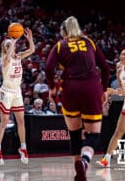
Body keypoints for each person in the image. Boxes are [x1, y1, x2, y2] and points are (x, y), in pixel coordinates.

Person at [45, 16, 110, 181]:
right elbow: (105, 67)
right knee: (93, 135)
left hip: (71, 88)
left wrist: (52, 87)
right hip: (91, 88)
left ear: (64, 31)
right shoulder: (89, 42)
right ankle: (85, 161)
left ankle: (78, 171)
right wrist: (104, 89)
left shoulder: (60, 45)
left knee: (74, 133)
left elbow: (48, 68)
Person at [0, 28, 35, 165]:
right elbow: (8, 54)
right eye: (7, 45)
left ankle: (23, 148)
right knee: (4, 121)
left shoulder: (18, 56)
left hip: (17, 92)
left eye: (11, 45)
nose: (11, 47)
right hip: (6, 93)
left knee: (21, 121)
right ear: (4, 49)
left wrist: (30, 39)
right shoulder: (4, 60)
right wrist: (13, 42)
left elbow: (32, 50)